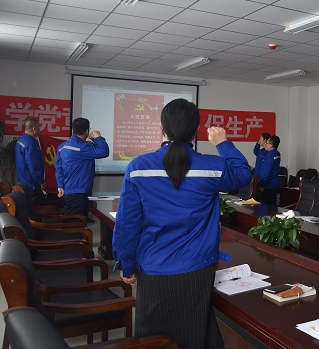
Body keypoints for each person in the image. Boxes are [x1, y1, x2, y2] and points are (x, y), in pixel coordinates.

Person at [113, 99, 252, 349]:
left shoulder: (138, 167)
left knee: (153, 339)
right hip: (197, 268)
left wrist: (127, 263)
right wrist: (223, 143)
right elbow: (242, 174)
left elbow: (127, 223)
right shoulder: (211, 167)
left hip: (153, 267)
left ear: (162, 127)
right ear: (196, 130)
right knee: (193, 334)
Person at [55, 118, 109, 223]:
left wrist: (60, 185)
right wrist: (98, 138)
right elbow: (104, 151)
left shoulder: (62, 147)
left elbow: (59, 168)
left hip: (68, 191)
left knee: (73, 223)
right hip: (79, 193)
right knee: (75, 226)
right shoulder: (84, 147)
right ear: (87, 131)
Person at [15, 118, 45, 207]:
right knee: (34, 210)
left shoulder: (21, 140)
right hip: (32, 185)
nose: (40, 129)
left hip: (23, 182)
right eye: (39, 127)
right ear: (34, 129)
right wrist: (41, 181)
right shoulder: (30, 143)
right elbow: (33, 165)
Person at [257, 135, 281, 205]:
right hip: (274, 184)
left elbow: (266, 172)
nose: (265, 144)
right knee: (272, 206)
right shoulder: (276, 153)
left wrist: (261, 185)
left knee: (265, 207)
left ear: (271, 145)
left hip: (268, 185)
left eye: (267, 143)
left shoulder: (270, 156)